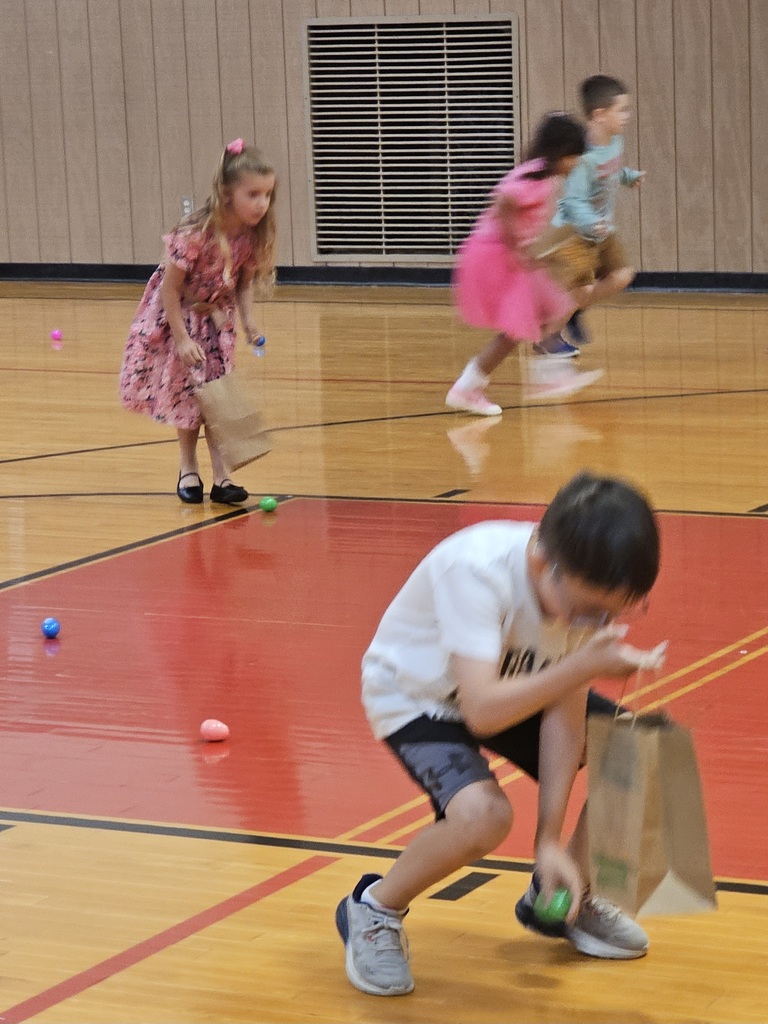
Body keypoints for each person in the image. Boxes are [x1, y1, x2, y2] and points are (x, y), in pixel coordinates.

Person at [336, 471, 665, 996]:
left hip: (510, 685)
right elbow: (483, 710)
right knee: (484, 817)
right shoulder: (476, 572)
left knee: (642, 748)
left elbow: (563, 714)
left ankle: (564, 895)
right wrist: (579, 667)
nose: (596, 622)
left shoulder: (577, 590)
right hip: (419, 698)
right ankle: (373, 907)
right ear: (541, 563)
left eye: (611, 611)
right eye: (587, 611)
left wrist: (548, 844)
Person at [120, 139, 276, 505]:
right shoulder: (195, 234)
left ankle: (222, 477)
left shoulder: (249, 237)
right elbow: (169, 290)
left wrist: (249, 321)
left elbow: (243, 282)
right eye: (253, 194)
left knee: (217, 397)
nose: (262, 204)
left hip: (216, 323)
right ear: (227, 194)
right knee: (188, 398)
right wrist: (182, 339)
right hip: (181, 318)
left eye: (267, 195)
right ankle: (187, 466)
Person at [446, 112, 604, 417]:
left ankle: (537, 375)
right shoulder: (533, 177)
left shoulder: (542, 176)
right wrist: (516, 246)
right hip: (493, 255)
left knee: (549, 310)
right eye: (574, 156)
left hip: (503, 254)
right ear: (560, 152)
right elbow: (504, 201)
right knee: (524, 323)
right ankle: (473, 387)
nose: (576, 163)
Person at [536, 75, 644, 358]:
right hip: (577, 233)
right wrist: (590, 223)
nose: (627, 116)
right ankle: (547, 338)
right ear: (599, 115)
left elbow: (610, 172)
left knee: (622, 275)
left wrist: (628, 177)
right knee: (581, 289)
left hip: (601, 229)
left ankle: (573, 309)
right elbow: (573, 201)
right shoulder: (582, 157)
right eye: (621, 110)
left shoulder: (615, 142)